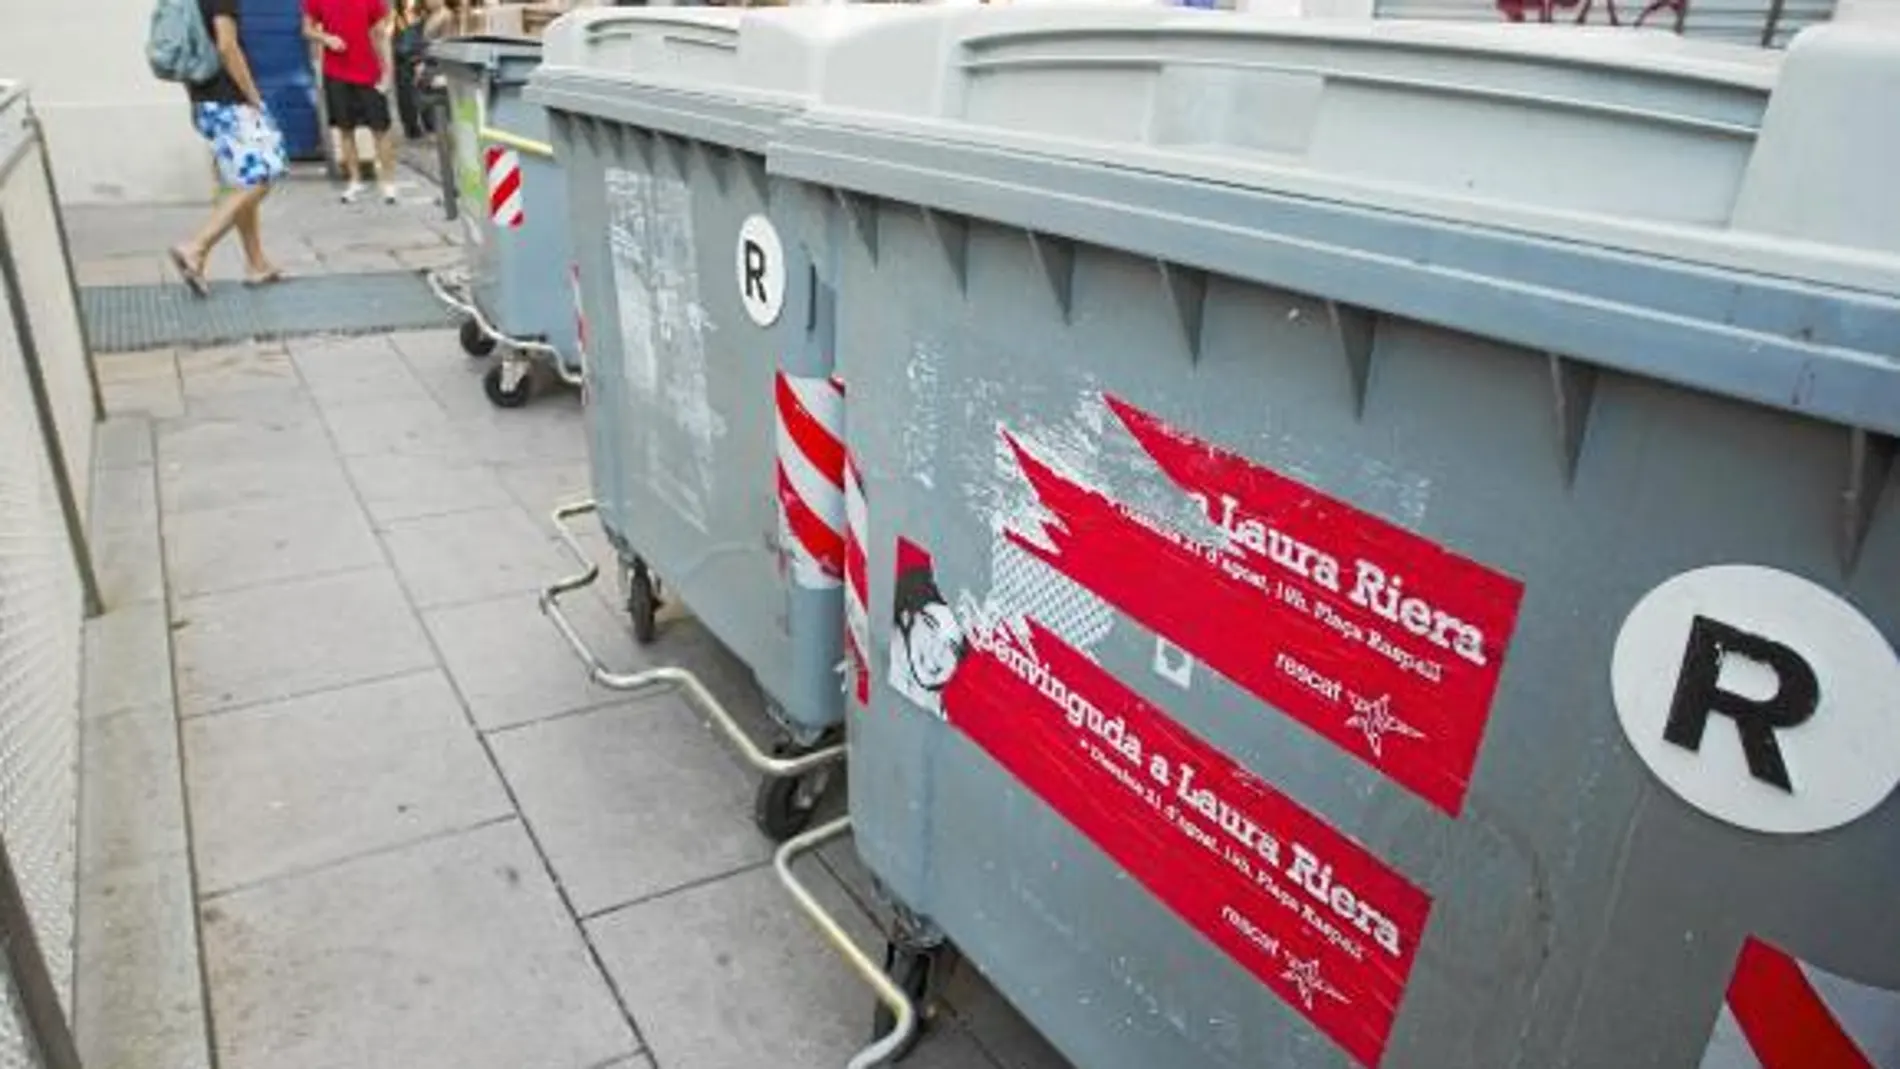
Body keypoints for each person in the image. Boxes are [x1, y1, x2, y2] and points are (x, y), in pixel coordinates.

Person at [169, 0, 288, 296]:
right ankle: (196, 247)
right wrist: (254, 97)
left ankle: (256, 263)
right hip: (229, 101)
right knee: (263, 175)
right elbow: (227, 45)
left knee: (241, 182)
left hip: (204, 100)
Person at [304, 0, 397, 204]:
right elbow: (307, 29)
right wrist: (326, 38)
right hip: (336, 72)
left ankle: (388, 183)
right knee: (345, 129)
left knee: (380, 128)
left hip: (369, 71)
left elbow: (380, 34)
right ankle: (354, 181)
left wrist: (387, 71)